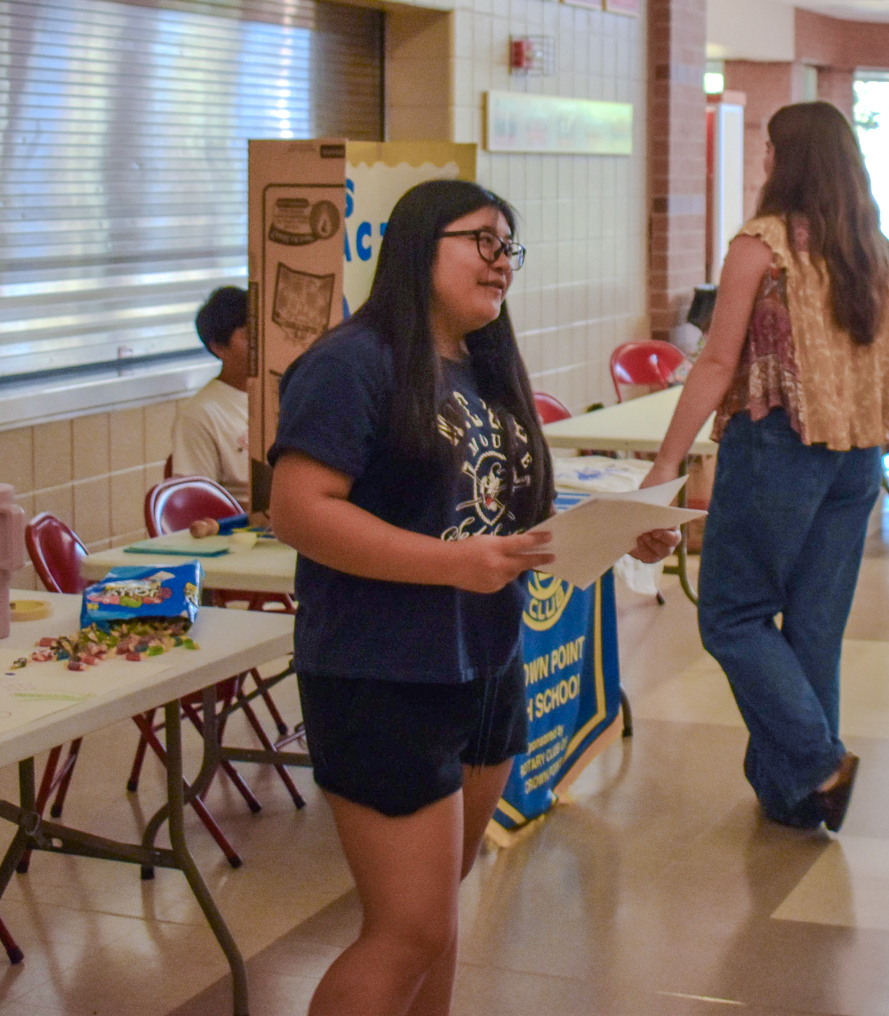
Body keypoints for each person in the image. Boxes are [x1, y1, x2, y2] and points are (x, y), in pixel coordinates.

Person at [269, 177, 677, 1015]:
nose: (502, 264)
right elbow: (299, 511)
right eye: (482, 242)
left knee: (436, 920)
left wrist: (613, 530)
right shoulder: (351, 363)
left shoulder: (486, 366)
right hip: (382, 674)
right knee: (406, 931)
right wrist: (449, 565)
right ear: (420, 247)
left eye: (509, 249)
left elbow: (501, 520)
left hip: (485, 666)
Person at [641, 101, 889, 831]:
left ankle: (819, 762)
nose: (763, 164)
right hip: (857, 458)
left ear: (785, 162)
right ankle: (795, 795)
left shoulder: (762, 246)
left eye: (769, 151)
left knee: (731, 615)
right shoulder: (873, 250)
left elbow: (717, 361)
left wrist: (667, 464)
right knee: (814, 628)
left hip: (778, 449)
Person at [170, 286, 252, 505]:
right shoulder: (199, 414)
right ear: (218, 347)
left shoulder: (287, 393)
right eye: (248, 334)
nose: (260, 343)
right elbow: (198, 503)